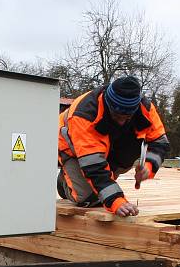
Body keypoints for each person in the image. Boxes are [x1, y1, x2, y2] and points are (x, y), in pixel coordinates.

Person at [57, 75, 170, 217]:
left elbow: (160, 142)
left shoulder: (144, 108)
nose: (122, 122)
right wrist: (116, 201)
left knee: (103, 191)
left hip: (106, 144)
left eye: (127, 118)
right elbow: (94, 168)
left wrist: (148, 167)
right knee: (88, 198)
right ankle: (63, 182)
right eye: (117, 116)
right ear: (109, 105)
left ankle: (105, 184)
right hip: (72, 149)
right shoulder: (85, 114)